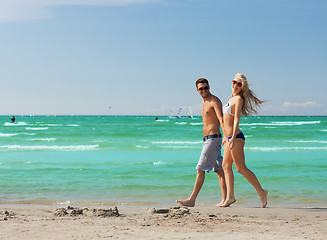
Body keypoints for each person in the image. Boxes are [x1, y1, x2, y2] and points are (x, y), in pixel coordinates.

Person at [176, 78, 227, 207]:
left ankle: (192, 199)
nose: (204, 90)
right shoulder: (204, 103)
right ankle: (226, 199)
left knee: (200, 169)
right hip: (209, 140)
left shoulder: (214, 100)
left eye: (206, 87)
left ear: (209, 87)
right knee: (219, 170)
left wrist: (226, 135)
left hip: (213, 139)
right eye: (201, 88)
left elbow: (221, 118)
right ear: (197, 90)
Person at [221, 73, 268, 208]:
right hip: (229, 137)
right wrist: (225, 136)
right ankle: (230, 197)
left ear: (242, 87)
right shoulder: (231, 98)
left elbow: (236, 119)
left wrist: (233, 137)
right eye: (234, 82)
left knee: (240, 168)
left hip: (236, 137)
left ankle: (262, 192)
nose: (235, 85)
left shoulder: (238, 99)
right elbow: (225, 119)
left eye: (239, 84)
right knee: (225, 166)